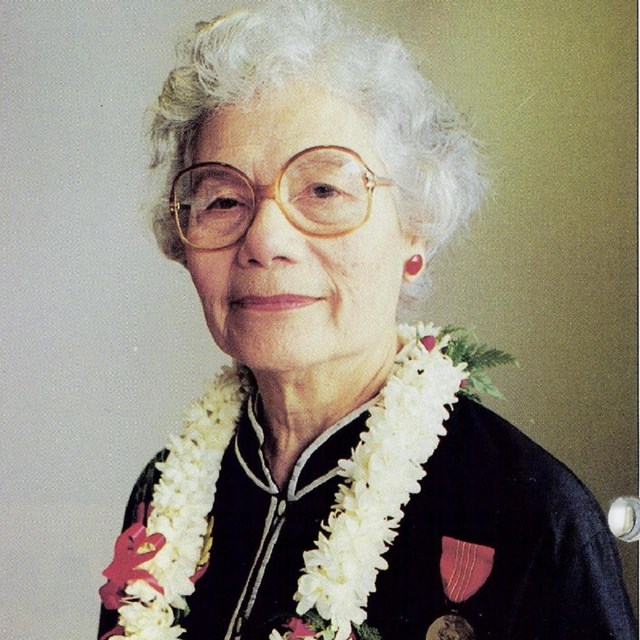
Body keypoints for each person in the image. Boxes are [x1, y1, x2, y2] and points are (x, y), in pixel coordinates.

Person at [97, 2, 636, 639]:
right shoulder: (163, 495)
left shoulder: (530, 516)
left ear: (416, 230)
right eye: (222, 197)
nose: (266, 239)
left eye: (323, 190)